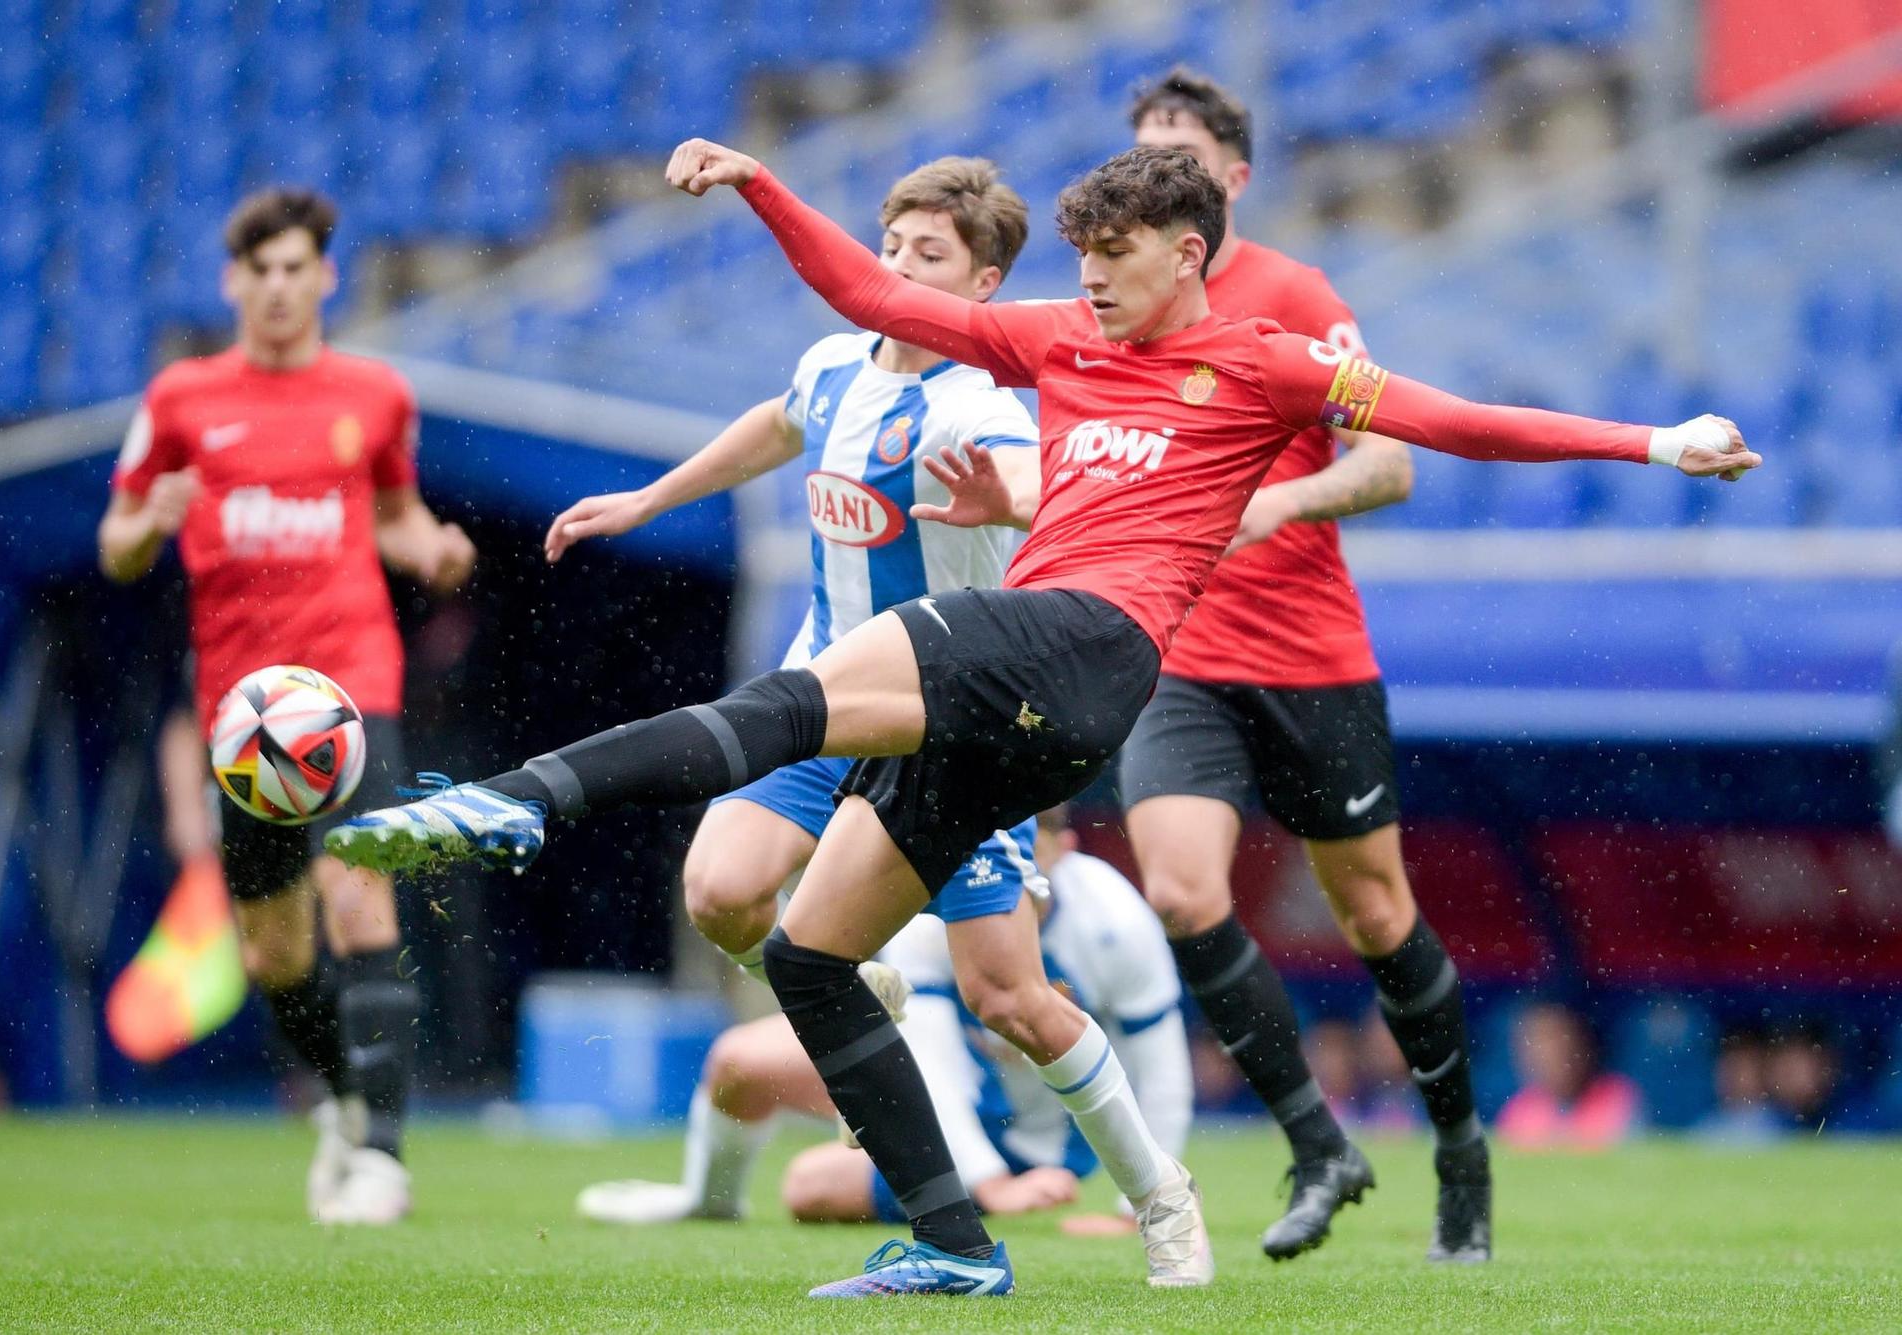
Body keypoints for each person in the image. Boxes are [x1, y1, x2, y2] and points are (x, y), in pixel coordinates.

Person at [326, 141, 1756, 1296]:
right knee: (820, 955)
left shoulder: (1263, 359)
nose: (1095, 285)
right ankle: (955, 1242)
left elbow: (1454, 421)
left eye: (1117, 260)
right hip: (1031, 692)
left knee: (789, 703)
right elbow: (884, 307)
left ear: (1187, 253)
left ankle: (507, 801)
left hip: (1089, 645)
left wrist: (1655, 442)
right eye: (1080, 263)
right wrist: (767, 188)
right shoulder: (1058, 341)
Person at [1116, 67, 1488, 1263]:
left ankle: (1459, 1151)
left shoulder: (1292, 294)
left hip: (1309, 657)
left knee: (1375, 913)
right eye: (1138, 161)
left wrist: (1278, 507)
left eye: (1175, 160)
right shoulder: (1111, 307)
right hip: (1176, 658)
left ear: (1230, 178)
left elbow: (1390, 464)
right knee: (1178, 890)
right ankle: (1315, 1140)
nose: (1153, 182)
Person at [541, 156, 1046, 992]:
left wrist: (1009, 500)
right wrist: (648, 500)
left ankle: (1161, 1129)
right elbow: (777, 425)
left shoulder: (979, 401)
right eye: (891, 247)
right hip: (824, 693)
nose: (898, 270)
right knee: (718, 892)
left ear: (984, 282)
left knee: (1010, 1003)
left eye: (929, 255)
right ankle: (841, 992)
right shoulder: (834, 367)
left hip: (947, 724)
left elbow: (1034, 487)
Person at [97, 187, 477, 1225]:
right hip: (243, 714)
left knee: (362, 896)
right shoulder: (180, 399)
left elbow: (395, 514)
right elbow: (116, 544)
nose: (275, 287)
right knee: (273, 949)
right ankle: (345, 1106)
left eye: (293, 268)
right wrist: (150, 521)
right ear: (232, 283)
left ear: (324, 277)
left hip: (349, 691)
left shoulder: (374, 393)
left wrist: (432, 546)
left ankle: (386, 1160)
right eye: (256, 271)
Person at [576, 808, 1192, 1229]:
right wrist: (983, 1185)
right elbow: (928, 1056)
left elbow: (1161, 1067)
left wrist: (1131, 1208)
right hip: (940, 1091)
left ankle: (964, 1195)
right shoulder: (944, 903)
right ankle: (708, 1204)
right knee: (739, 1062)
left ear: (1064, 846)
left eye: (1030, 846)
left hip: (1032, 1142)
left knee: (809, 1188)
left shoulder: (1115, 919)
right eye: (996, 846)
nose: (1009, 866)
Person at [1495, 1002, 1642, 1149]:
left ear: (1582, 1043)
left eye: (1555, 1040)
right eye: (1535, 1043)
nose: (1546, 1054)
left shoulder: (1617, 1097)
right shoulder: (1521, 1109)